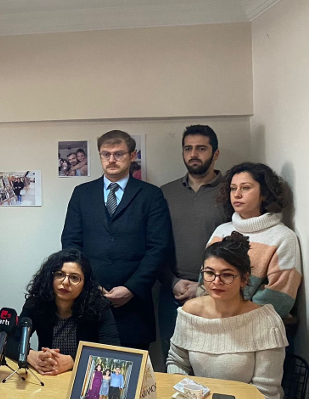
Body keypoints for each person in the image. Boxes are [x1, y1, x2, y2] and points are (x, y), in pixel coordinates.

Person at [61, 130, 171, 350]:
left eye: (118, 154)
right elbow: (71, 243)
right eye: (106, 154)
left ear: (132, 155)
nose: (111, 160)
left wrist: (132, 288)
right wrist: (89, 285)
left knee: (131, 368)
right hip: (89, 300)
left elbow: (158, 248)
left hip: (135, 305)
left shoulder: (151, 195)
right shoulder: (82, 194)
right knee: (86, 365)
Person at [167, 232, 288, 399]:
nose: (216, 281)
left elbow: (266, 393)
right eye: (209, 273)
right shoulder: (190, 312)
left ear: (244, 279)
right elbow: (176, 362)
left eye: (227, 275)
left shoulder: (266, 321)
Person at [158, 125, 229, 358]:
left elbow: (238, 248)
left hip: (218, 292)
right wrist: (173, 281)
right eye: (188, 148)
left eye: (201, 148)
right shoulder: (165, 193)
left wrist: (202, 287)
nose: (193, 154)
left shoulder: (231, 192)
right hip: (172, 292)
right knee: (173, 361)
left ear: (215, 153)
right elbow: (154, 245)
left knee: (214, 361)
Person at [203, 162, 301, 317]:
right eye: (233, 188)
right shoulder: (221, 231)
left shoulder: (283, 237)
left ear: (264, 194)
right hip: (212, 319)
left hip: (255, 325)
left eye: (245, 188)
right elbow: (204, 282)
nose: (237, 194)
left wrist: (234, 316)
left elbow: (279, 298)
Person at [6, 249, 120, 375]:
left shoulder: (99, 306)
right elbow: (8, 342)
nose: (65, 282)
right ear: (50, 277)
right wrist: (29, 355)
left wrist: (73, 360)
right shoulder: (36, 304)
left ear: (85, 284)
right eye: (59, 274)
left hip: (82, 376)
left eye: (74, 278)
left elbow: (112, 350)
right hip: (47, 375)